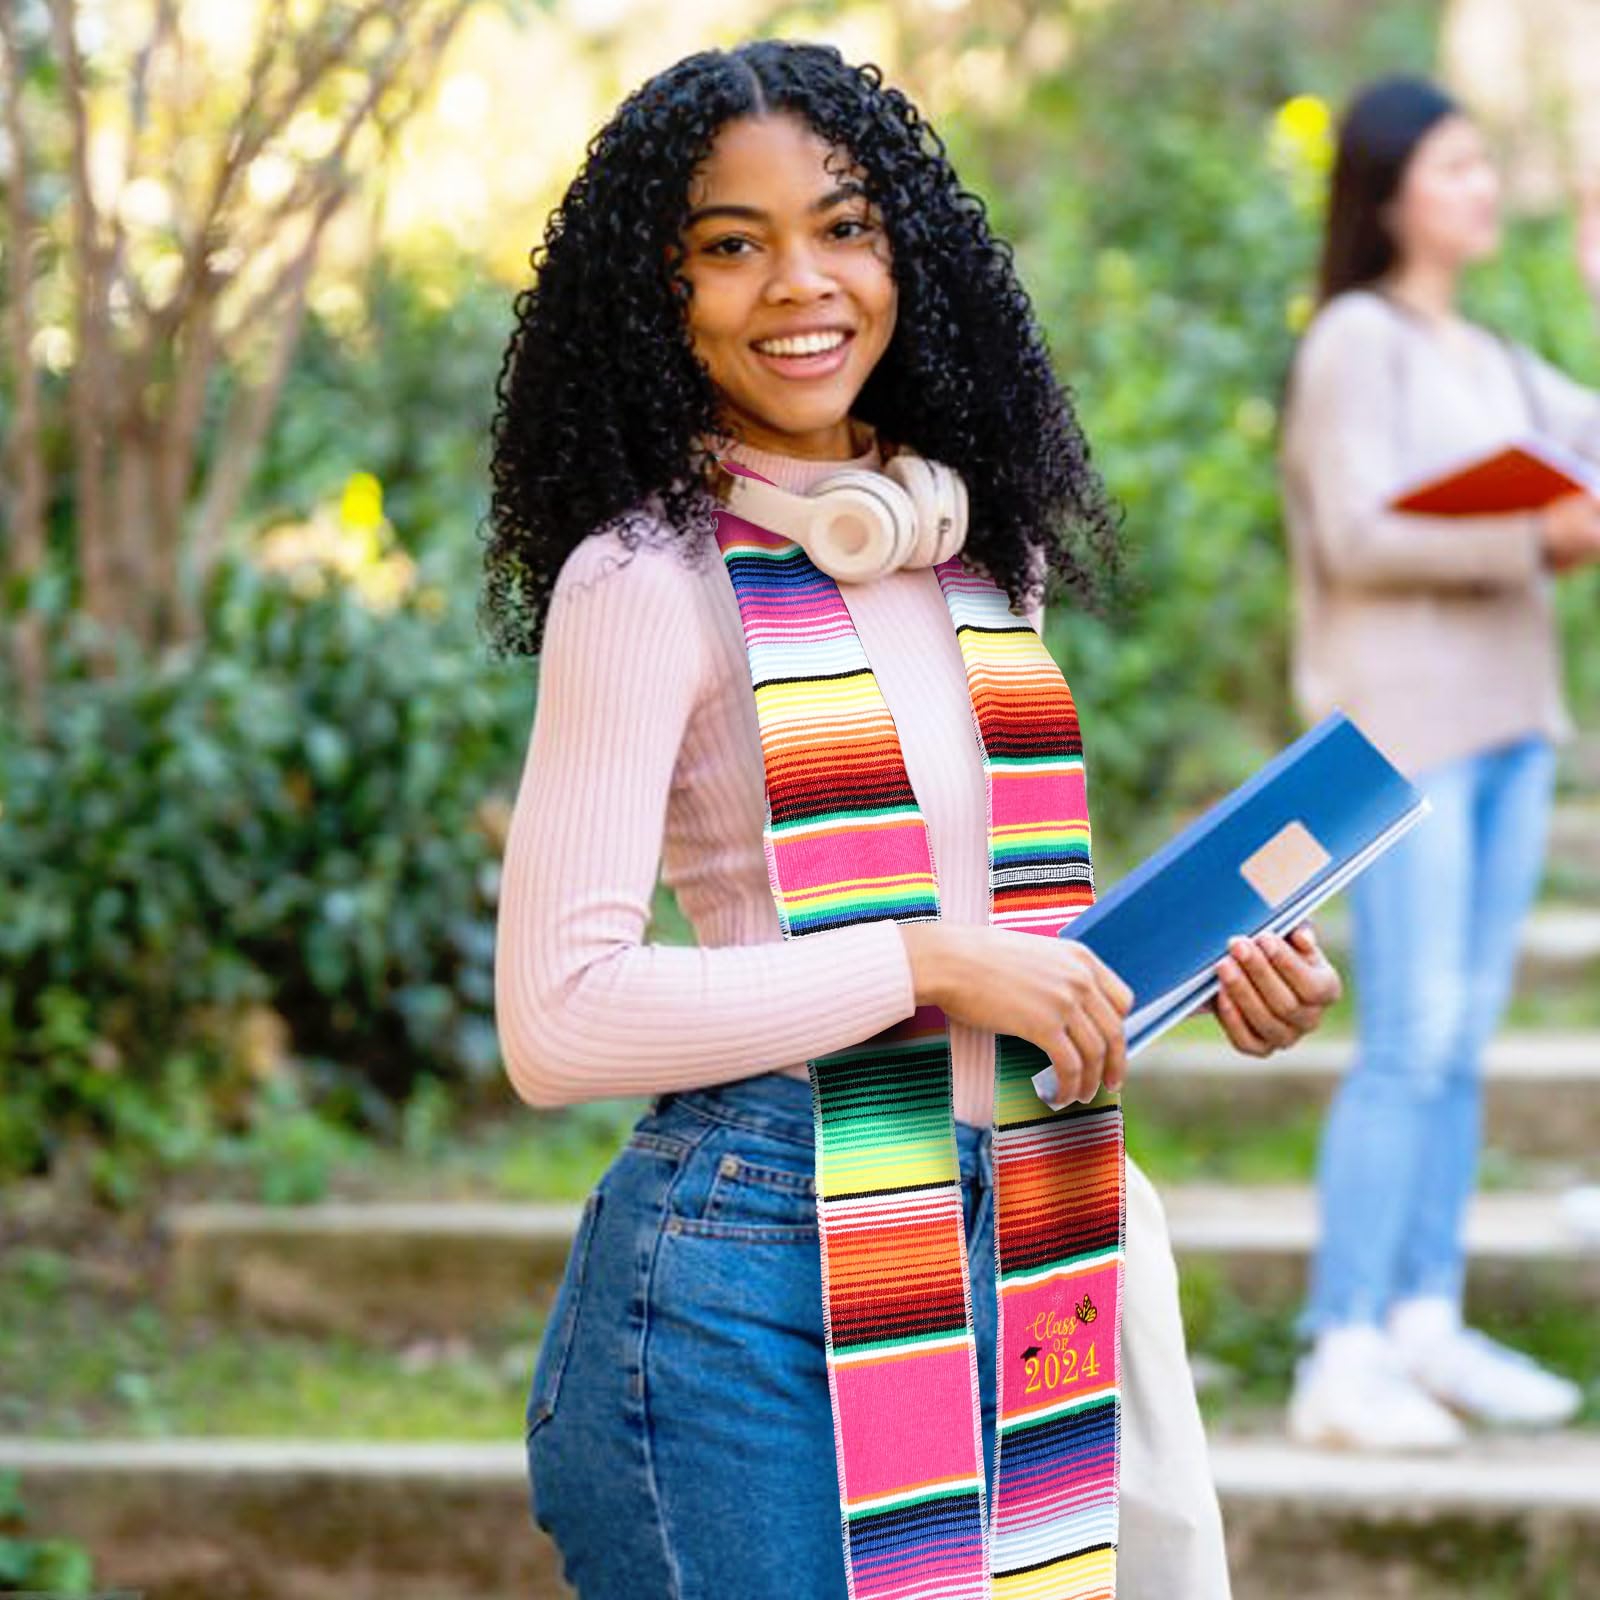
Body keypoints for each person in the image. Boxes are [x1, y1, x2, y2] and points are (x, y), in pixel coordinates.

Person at [487, 40, 1340, 1597]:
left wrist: (1193, 975)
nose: (800, 284)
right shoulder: (643, 582)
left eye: (844, 226)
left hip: (1020, 1226)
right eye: (730, 246)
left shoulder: (965, 555)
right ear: (657, 294)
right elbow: (559, 1020)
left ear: (910, 254)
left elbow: (990, 938)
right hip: (754, 1267)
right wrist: (933, 963)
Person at [1279, 73, 1600, 1452]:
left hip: (1514, 725)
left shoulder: (1498, 359)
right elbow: (1354, 535)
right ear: (1394, 186)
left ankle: (1423, 1321)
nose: (1483, 189)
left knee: (1460, 1043)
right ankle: (1340, 1347)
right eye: (1459, 165)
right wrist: (1534, 541)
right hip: (1403, 736)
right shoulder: (1357, 339)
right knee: (1406, 1038)